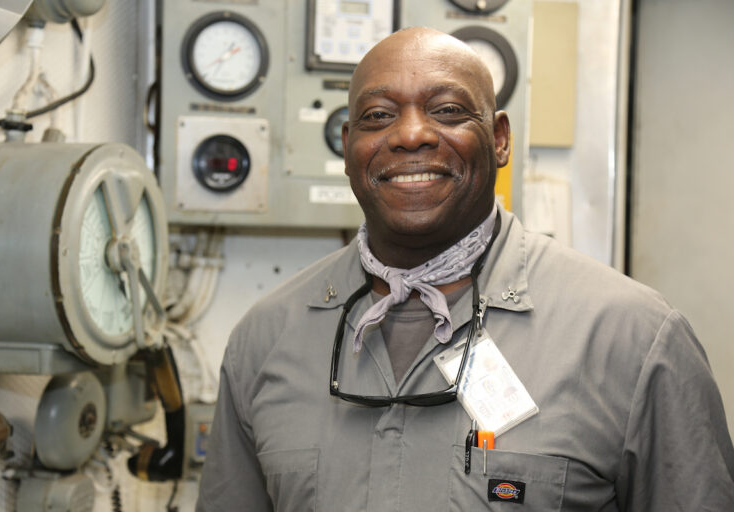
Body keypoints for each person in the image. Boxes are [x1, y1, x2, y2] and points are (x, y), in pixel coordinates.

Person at [196, 27, 734, 511]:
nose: (410, 135)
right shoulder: (264, 340)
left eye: (449, 111)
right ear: (347, 148)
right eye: (378, 115)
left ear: (499, 140)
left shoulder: (631, 340)